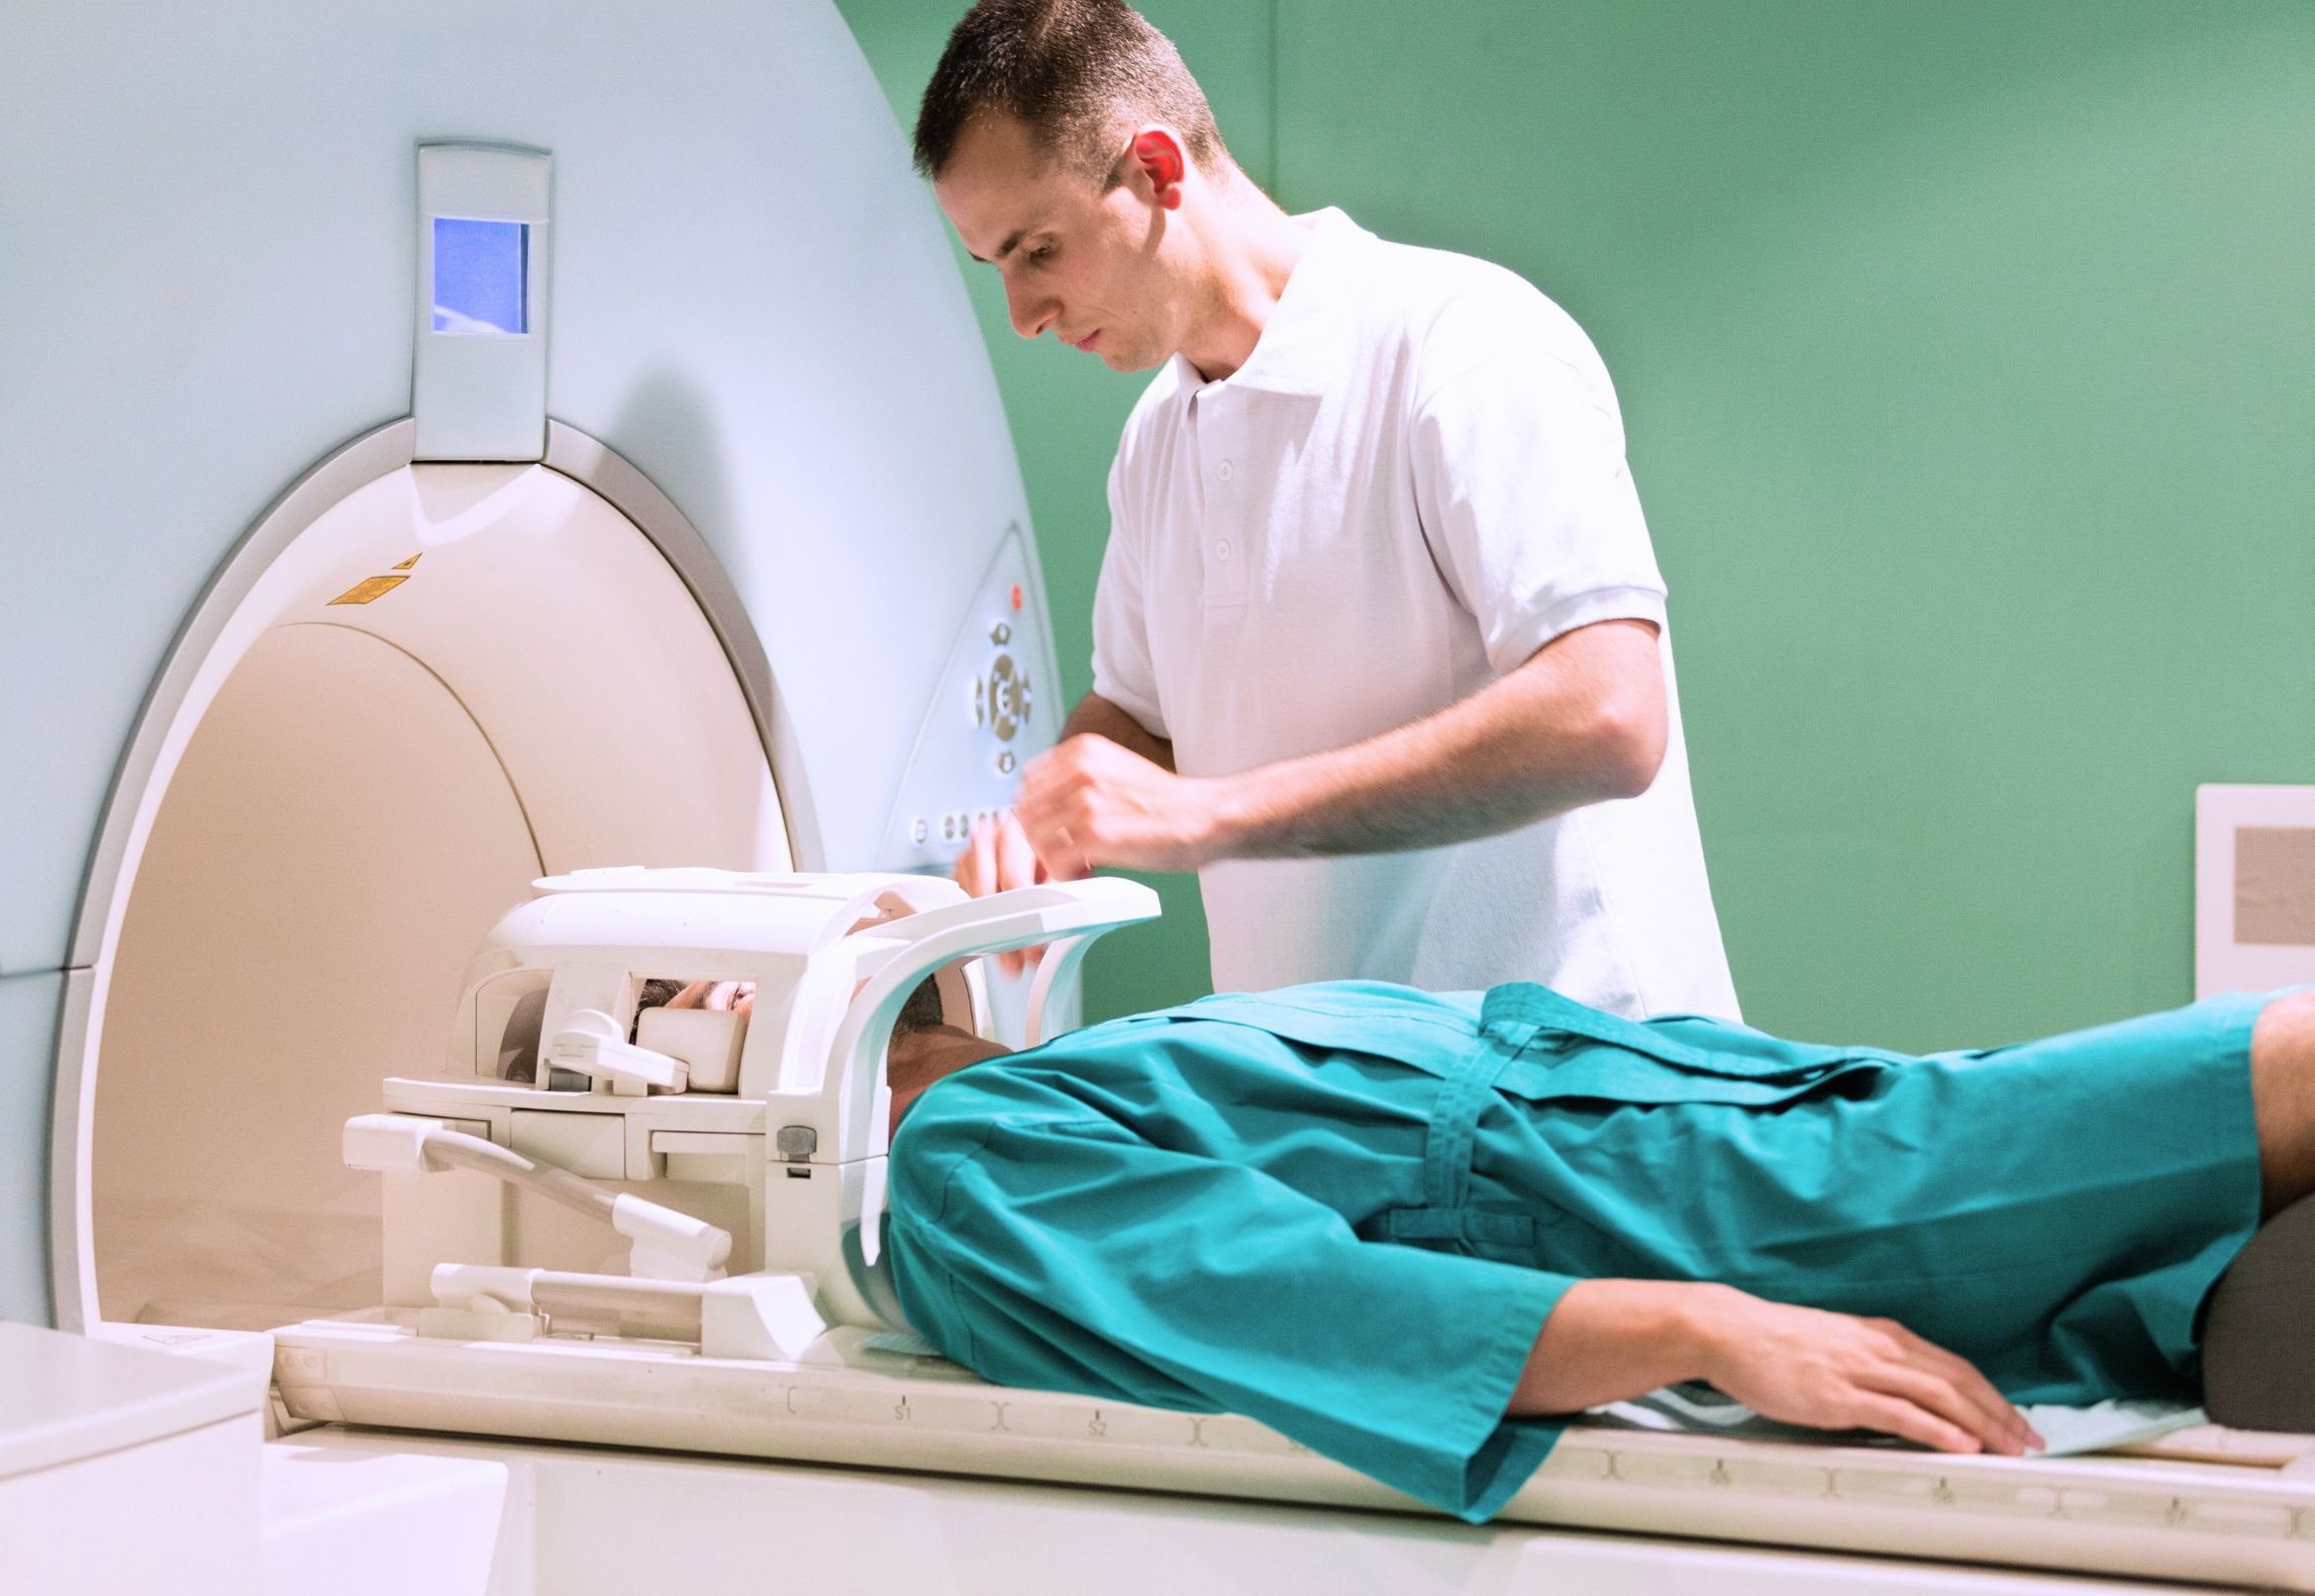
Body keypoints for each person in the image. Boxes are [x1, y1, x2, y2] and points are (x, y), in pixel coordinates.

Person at [917, 0, 1736, 1018]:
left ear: (1156, 172)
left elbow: (1607, 714)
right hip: (1337, 1102)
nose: (1023, 317)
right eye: (994, 265)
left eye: (1038, 250)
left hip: (1574, 1083)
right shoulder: (1157, 441)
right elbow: (1140, 719)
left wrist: (1207, 817)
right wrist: (1028, 833)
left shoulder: (1461, 346)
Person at [874, 979, 2315, 1521]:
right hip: (1694, 1205)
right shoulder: (963, 1156)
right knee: (2237, 1075)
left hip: (1698, 1128)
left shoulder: (1074, 1068)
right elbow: (1309, 1305)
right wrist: (1708, 1327)